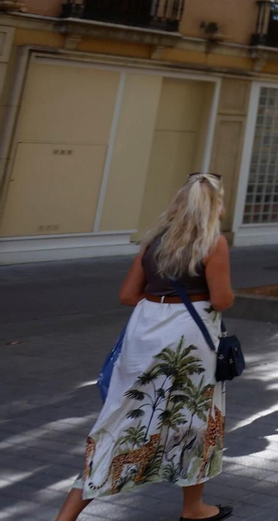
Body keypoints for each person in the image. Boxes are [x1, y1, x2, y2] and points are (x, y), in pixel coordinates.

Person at [56, 173, 235, 521]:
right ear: (214, 206)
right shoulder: (214, 243)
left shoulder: (154, 242)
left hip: (144, 332)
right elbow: (222, 299)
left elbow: (127, 295)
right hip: (190, 340)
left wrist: (159, 306)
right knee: (193, 417)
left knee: (119, 421)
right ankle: (193, 508)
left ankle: (66, 516)